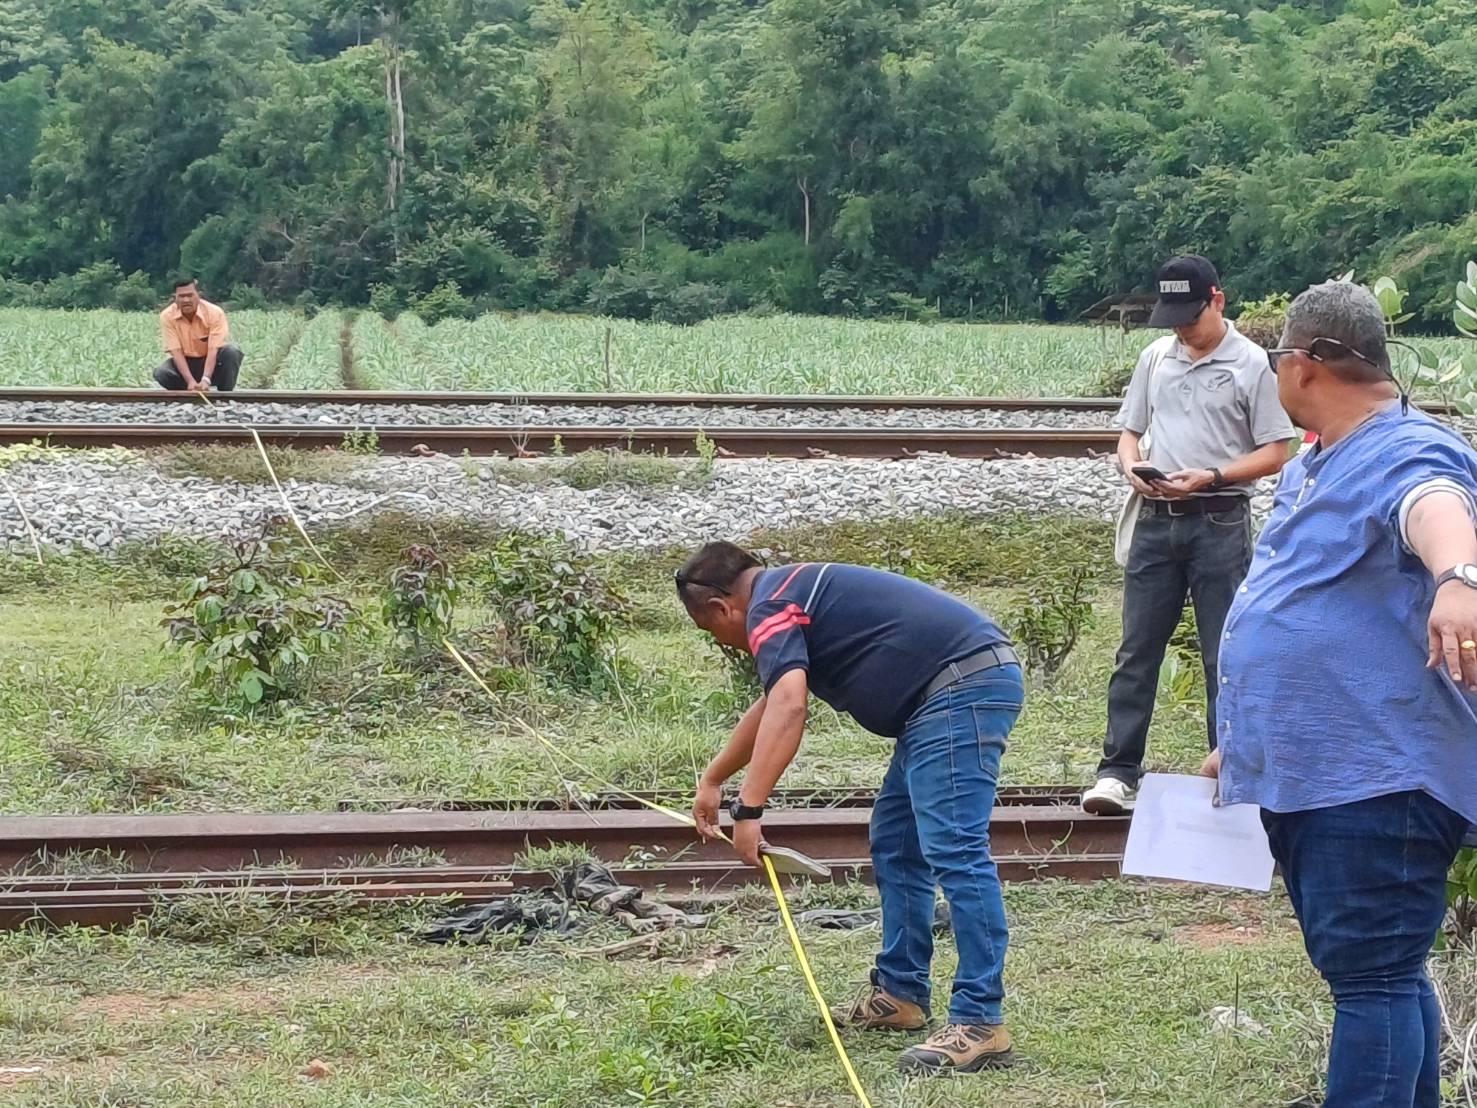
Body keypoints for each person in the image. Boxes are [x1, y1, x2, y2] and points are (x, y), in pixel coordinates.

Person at [1204, 280, 1477, 1108]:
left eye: (1277, 361)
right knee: (1382, 973)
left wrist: (1458, 580)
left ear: (1307, 362)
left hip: (1375, 773)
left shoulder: (1405, 449)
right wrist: (1246, 731)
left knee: (1371, 978)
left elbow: (1435, 506)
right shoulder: (1319, 456)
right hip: (1320, 764)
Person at [676, 542, 1024, 1075]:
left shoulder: (769, 608)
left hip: (960, 690)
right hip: (945, 695)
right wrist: (714, 778)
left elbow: (791, 707)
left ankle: (980, 1021)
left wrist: (748, 812)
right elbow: (774, 701)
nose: (728, 643)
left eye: (713, 632)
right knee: (898, 841)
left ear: (723, 608)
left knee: (955, 850)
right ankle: (901, 995)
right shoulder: (784, 594)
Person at [1081, 255, 1297, 815]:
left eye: (1189, 316)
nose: (1181, 328)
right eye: (1172, 316)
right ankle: (1117, 771)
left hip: (1219, 519)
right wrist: (1134, 469)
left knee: (1222, 652)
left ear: (1217, 300)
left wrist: (1213, 475)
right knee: (1136, 650)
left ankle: (1229, 766)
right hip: (1155, 518)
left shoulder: (1252, 364)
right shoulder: (1155, 357)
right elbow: (1129, 435)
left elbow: (1278, 451)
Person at [154, 278, 243, 392]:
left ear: (198, 295)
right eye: (181, 296)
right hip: (187, 363)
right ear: (175, 298)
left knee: (232, 351)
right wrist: (190, 380)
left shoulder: (214, 313)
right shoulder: (167, 316)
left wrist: (206, 379)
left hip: (212, 362)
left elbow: (213, 349)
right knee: (161, 373)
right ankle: (189, 393)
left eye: (190, 295)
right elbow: (176, 352)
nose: (186, 300)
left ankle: (225, 395)